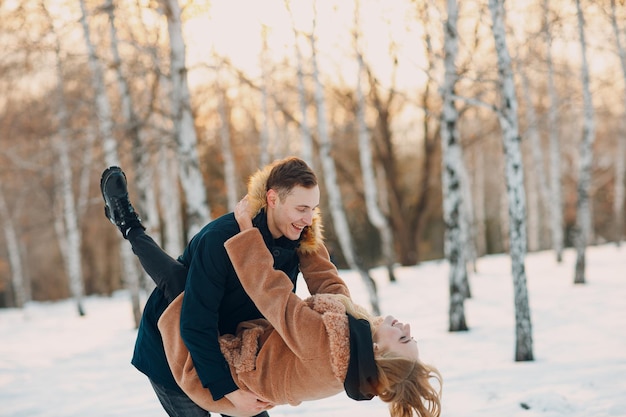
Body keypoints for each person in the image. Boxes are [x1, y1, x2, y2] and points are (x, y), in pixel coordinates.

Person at [100, 157, 352, 417]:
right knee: (175, 280)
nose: (309, 219)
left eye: (313, 209)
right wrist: (230, 392)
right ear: (273, 199)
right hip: (179, 347)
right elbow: (196, 323)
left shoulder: (298, 239)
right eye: (301, 209)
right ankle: (128, 223)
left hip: (234, 352)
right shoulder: (221, 239)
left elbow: (324, 286)